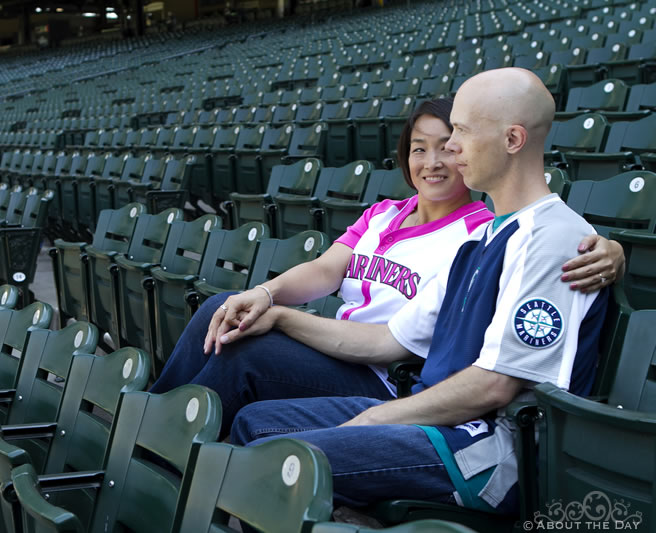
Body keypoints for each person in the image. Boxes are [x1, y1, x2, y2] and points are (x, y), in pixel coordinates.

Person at [227, 68, 611, 514]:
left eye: (462, 131)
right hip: (438, 418)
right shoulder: (482, 237)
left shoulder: (555, 240)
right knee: (254, 424)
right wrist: (278, 311)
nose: (451, 148)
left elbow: (494, 386)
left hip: (491, 449)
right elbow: (392, 339)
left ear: (512, 140)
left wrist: (374, 419)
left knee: (283, 464)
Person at [150, 94, 623, 436]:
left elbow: (551, 236)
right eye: (420, 147)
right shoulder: (384, 213)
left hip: (385, 373)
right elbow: (324, 270)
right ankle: (154, 420)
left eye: (448, 144)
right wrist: (266, 295)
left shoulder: (479, 230)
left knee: (242, 354)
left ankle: (169, 445)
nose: (435, 160)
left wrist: (611, 250)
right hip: (340, 345)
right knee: (225, 305)